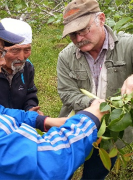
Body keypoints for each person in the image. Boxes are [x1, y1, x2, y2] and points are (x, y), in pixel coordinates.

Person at [0, 1, 106, 179]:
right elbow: (45, 162)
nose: (2, 61)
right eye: (0, 51)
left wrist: (43, 121)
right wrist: (91, 116)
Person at [57, 0, 133, 179]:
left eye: (83, 30)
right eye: (72, 34)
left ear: (101, 18)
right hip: (77, 126)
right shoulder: (66, 56)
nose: (78, 39)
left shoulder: (128, 45)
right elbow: (67, 93)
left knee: (95, 173)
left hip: (110, 133)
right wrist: (95, 105)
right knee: (59, 171)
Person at [0, 18, 43, 115]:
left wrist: (30, 109)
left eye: (27, 50)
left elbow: (30, 93)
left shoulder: (27, 67)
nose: (21, 57)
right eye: (15, 50)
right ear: (0, 49)